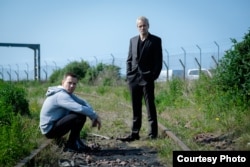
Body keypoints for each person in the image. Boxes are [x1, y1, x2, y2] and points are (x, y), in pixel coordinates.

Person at [117, 16, 163, 142]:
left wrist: (153, 76)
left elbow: (158, 62)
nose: (142, 28)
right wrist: (129, 75)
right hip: (133, 79)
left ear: (148, 26)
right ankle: (135, 133)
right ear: (137, 27)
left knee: (150, 106)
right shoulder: (132, 40)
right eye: (140, 26)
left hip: (147, 78)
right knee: (135, 107)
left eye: (144, 25)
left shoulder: (155, 40)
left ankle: (153, 134)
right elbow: (129, 59)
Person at [39, 72, 101, 152]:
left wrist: (93, 114)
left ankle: (76, 141)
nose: (72, 86)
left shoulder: (67, 93)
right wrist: (94, 116)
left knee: (80, 115)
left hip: (55, 124)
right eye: (69, 83)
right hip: (50, 130)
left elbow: (83, 102)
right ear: (63, 82)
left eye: (74, 84)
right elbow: (80, 108)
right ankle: (71, 145)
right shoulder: (61, 95)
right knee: (79, 116)